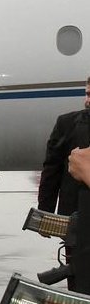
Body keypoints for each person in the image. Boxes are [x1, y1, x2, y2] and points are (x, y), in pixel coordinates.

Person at [38, 77, 90, 289]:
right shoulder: (67, 124)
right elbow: (52, 169)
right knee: (79, 282)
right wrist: (45, 213)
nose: (87, 100)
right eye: (87, 94)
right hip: (75, 219)